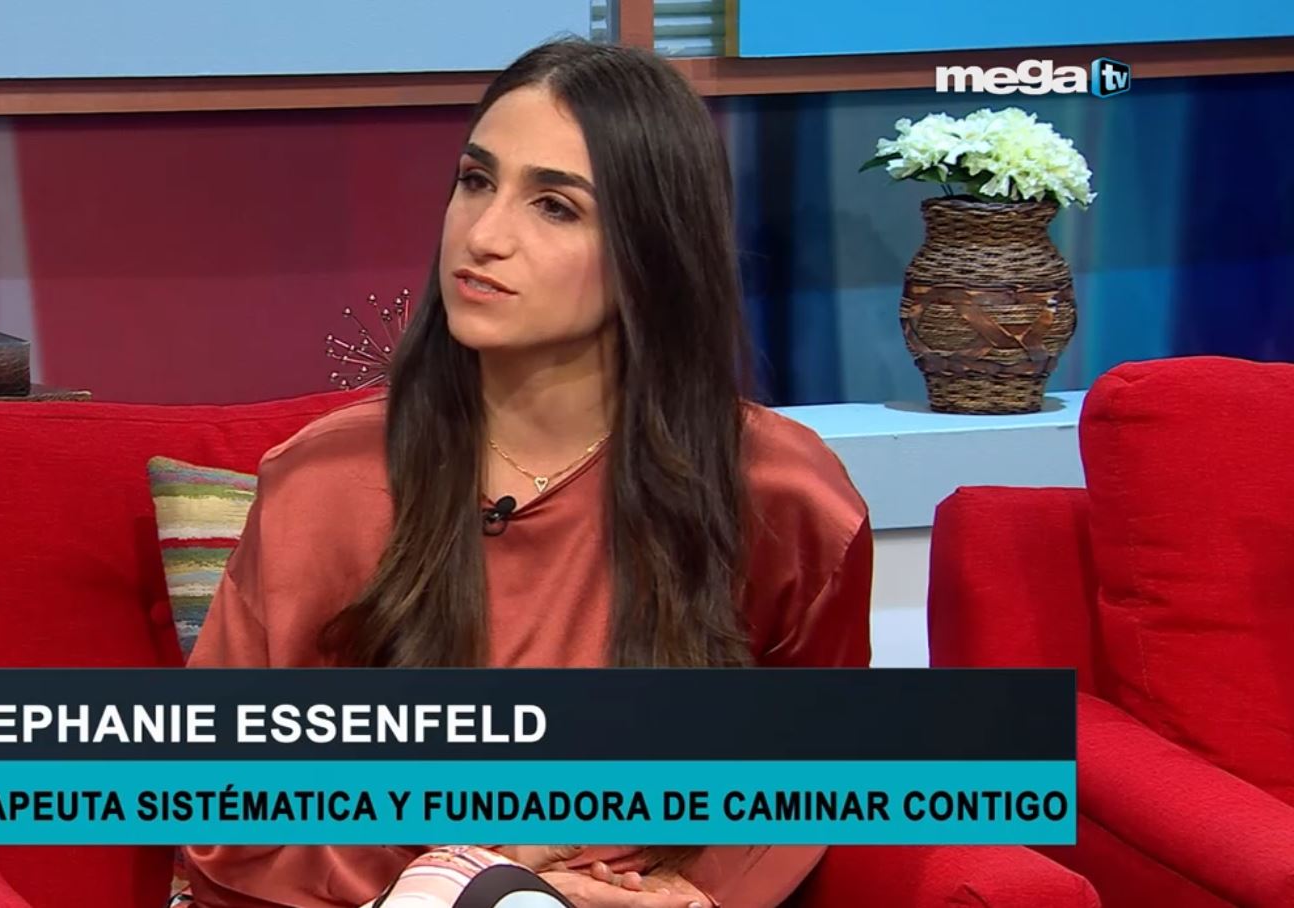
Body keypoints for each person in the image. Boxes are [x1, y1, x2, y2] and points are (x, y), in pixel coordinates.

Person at [181, 37, 873, 908]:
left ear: (652, 249)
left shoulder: (782, 493)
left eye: (554, 206)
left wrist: (696, 894)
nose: (483, 235)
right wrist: (477, 871)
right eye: (476, 181)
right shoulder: (326, 483)